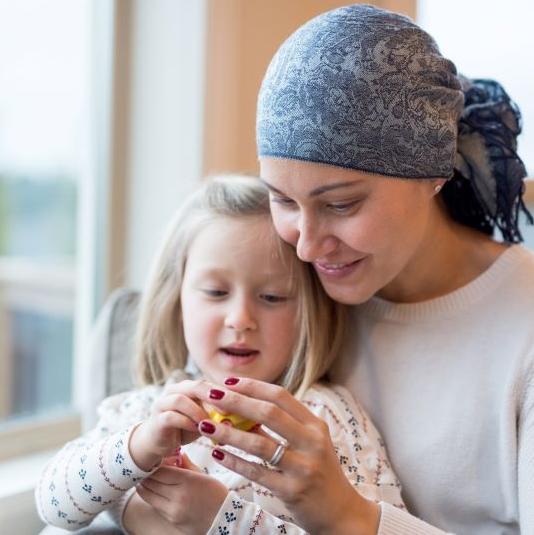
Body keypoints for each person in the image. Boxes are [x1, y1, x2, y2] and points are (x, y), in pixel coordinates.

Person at [192, 4, 534, 534]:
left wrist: (350, 517)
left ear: (432, 175)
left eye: (341, 204)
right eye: (283, 200)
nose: (306, 246)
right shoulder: (282, 291)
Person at [36, 175, 407, 534]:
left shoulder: (324, 419)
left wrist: (224, 521)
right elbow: (54, 505)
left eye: (272, 297)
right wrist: (139, 448)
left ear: (310, 311)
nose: (241, 320)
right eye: (215, 292)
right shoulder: (143, 410)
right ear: (177, 301)